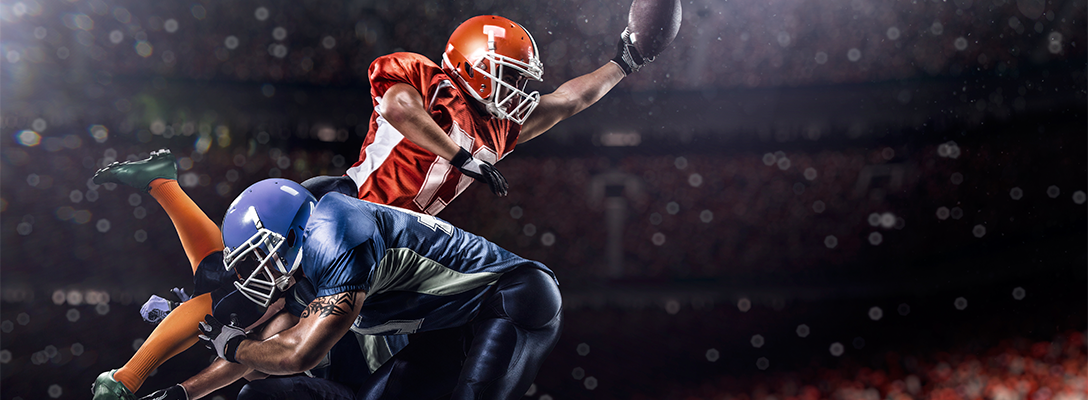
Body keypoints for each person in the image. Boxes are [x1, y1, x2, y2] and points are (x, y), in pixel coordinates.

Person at [93, 12, 655, 398]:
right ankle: (126, 376)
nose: (517, 92)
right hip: (341, 208)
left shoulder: (499, 129)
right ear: (471, 62)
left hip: (381, 247)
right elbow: (398, 108)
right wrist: (461, 158)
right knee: (233, 296)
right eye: (506, 77)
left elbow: (567, 99)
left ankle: (164, 188)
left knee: (270, 322)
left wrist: (625, 61)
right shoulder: (429, 80)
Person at [198, 178, 562, 400]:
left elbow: (297, 355)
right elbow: (267, 346)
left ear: (291, 234)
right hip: (455, 324)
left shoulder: (334, 233)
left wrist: (232, 345)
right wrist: (186, 388)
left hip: (512, 297)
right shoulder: (310, 268)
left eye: (259, 253)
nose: (257, 267)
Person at [90, 150, 406, 400]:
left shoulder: (337, 271)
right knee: (223, 287)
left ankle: (125, 379)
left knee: (227, 300)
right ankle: (161, 183)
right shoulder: (324, 232)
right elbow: (256, 356)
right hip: (348, 364)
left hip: (374, 384)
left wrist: (186, 385)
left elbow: (262, 352)